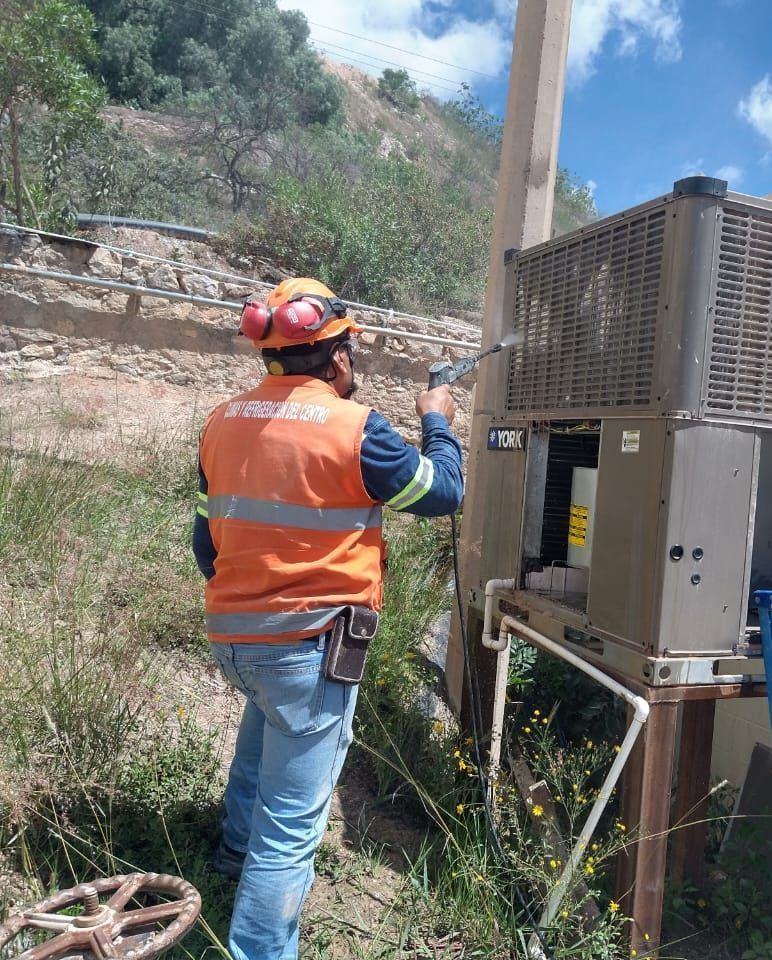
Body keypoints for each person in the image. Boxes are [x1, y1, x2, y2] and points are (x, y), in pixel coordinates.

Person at [193, 277, 463, 960]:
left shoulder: (223, 420)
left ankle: (231, 854)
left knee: (261, 739)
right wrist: (437, 420)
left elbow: (206, 541)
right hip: (308, 647)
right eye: (351, 353)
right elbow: (441, 493)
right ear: (337, 357)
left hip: (234, 638)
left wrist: (253, 608)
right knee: (292, 825)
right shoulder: (356, 427)